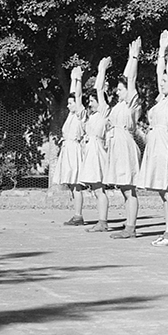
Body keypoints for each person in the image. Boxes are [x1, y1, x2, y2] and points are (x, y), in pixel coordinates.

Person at [138, 29, 168, 247]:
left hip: (166, 144)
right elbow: (160, 72)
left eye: (166, 81)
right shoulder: (160, 100)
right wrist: (160, 51)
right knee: (161, 190)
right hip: (154, 145)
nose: (162, 82)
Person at [107, 38, 143, 239]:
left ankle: (131, 227)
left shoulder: (131, 102)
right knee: (123, 187)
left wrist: (133, 57)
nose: (117, 91)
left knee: (129, 187)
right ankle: (129, 223)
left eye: (120, 89)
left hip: (125, 144)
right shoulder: (118, 106)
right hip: (116, 145)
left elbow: (131, 79)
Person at [79, 57, 113, 232]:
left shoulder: (104, 112)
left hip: (98, 151)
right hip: (91, 150)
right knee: (95, 188)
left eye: (93, 100)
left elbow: (99, 89)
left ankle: (103, 222)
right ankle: (101, 220)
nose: (90, 103)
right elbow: (77, 104)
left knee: (99, 188)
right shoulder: (91, 117)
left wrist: (102, 70)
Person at [56, 65, 87, 226]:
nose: (68, 106)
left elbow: (78, 96)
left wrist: (79, 79)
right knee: (71, 184)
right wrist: (73, 79)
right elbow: (74, 94)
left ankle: (78, 215)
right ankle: (76, 213)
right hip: (67, 149)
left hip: (74, 150)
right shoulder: (71, 115)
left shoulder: (81, 114)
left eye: (71, 103)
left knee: (76, 184)